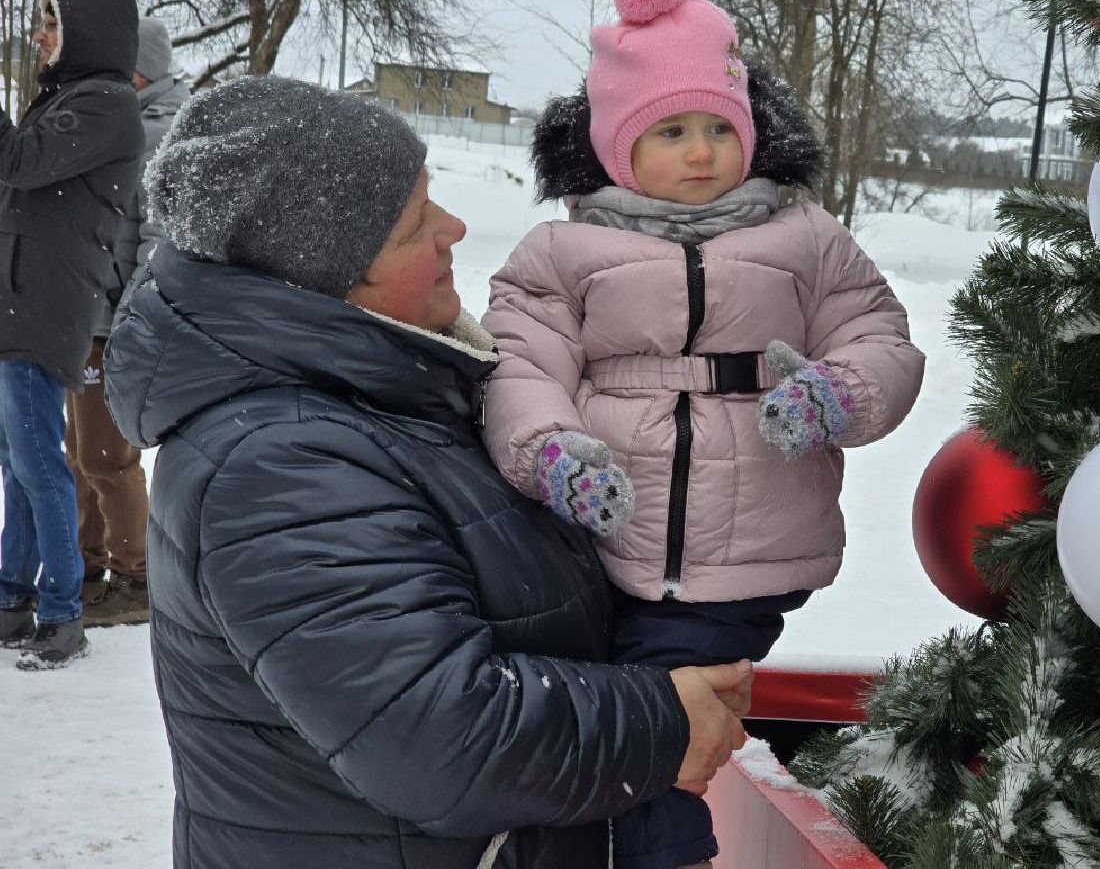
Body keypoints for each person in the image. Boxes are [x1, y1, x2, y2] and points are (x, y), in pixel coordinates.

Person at [102, 75, 751, 869]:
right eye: (415, 224)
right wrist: (662, 721)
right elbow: (437, 734)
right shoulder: (276, 466)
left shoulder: (386, 396)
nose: (454, 227)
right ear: (325, 279)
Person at [481, 0, 926, 869]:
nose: (701, 153)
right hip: (598, 536)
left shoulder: (803, 237)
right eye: (671, 133)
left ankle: (667, 856)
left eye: (720, 128)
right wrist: (551, 450)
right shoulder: (562, 255)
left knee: (658, 714)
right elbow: (521, 368)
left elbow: (880, 337)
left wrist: (837, 394)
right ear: (617, 144)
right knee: (592, 715)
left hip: (744, 547)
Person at [0, 0, 143, 670]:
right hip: (18, 300)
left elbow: (18, 163)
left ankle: (62, 613)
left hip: (47, 305)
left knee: (39, 463)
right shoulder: (68, 99)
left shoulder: (107, 105)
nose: (38, 36)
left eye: (50, 24)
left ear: (84, 33)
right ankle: (11, 596)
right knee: (15, 462)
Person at [67, 15, 189, 627]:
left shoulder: (156, 133)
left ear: (138, 66)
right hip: (85, 314)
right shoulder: (118, 121)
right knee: (79, 452)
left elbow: (155, 239)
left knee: (107, 457)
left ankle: (135, 577)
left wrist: (129, 319)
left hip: (111, 324)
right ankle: (88, 563)